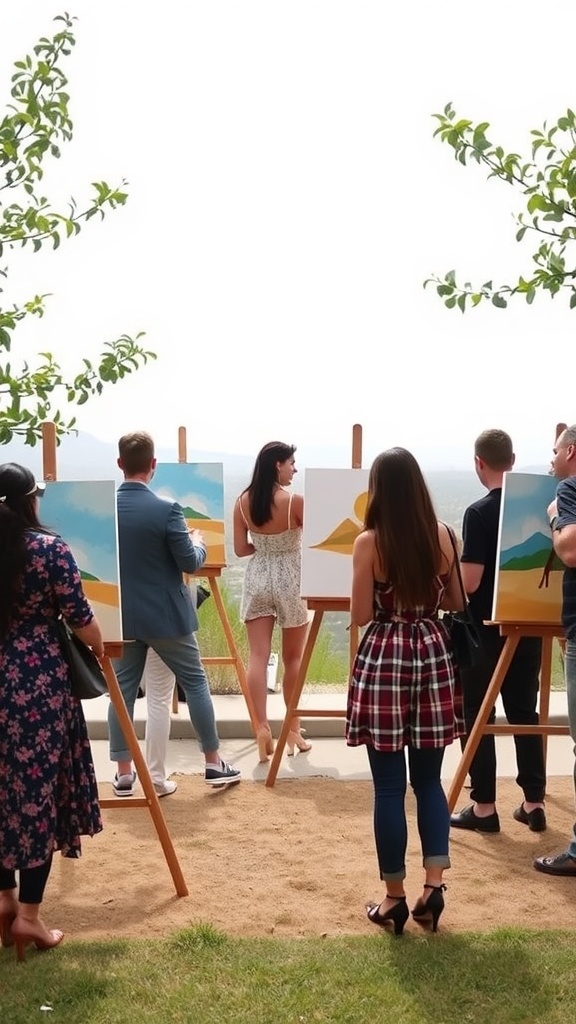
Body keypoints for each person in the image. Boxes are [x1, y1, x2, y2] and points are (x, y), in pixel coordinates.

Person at [346, 447, 465, 935]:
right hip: (433, 653)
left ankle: (394, 898)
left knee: (389, 787)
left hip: (386, 656)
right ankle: (433, 889)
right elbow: (457, 600)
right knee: (431, 782)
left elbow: (359, 615)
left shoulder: (369, 543)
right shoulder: (444, 537)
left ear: (378, 490)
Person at [0, 463, 104, 960]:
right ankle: (30, 918)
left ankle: (4, 902)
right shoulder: (48, 548)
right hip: (36, 685)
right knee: (38, 793)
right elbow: (81, 618)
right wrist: (101, 647)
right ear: (28, 500)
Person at [108, 431, 240, 794]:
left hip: (123, 618)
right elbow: (190, 563)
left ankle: (122, 774)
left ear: (120, 464)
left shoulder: (107, 509)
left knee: (121, 692)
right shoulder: (167, 509)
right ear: (153, 465)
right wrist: (197, 543)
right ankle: (213, 763)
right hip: (168, 617)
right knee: (195, 683)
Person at [450, 429, 546, 834]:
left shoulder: (479, 512)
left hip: (485, 631)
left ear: (479, 463)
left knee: (477, 712)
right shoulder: (541, 506)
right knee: (525, 711)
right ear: (512, 459)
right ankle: (533, 802)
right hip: (532, 621)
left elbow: (470, 582)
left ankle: (485, 806)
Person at [233, 441, 310, 762]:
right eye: (291, 462)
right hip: (291, 577)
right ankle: (292, 727)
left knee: (258, 656)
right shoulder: (294, 501)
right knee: (293, 658)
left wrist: (265, 549)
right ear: (278, 464)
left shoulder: (242, 502)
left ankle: (262, 726)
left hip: (258, 575)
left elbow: (240, 549)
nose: (294, 468)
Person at [534, 424, 576, 875]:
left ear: (572, 451)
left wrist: (553, 516)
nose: (551, 461)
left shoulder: (568, 489)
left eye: (555, 451)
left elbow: (568, 549)